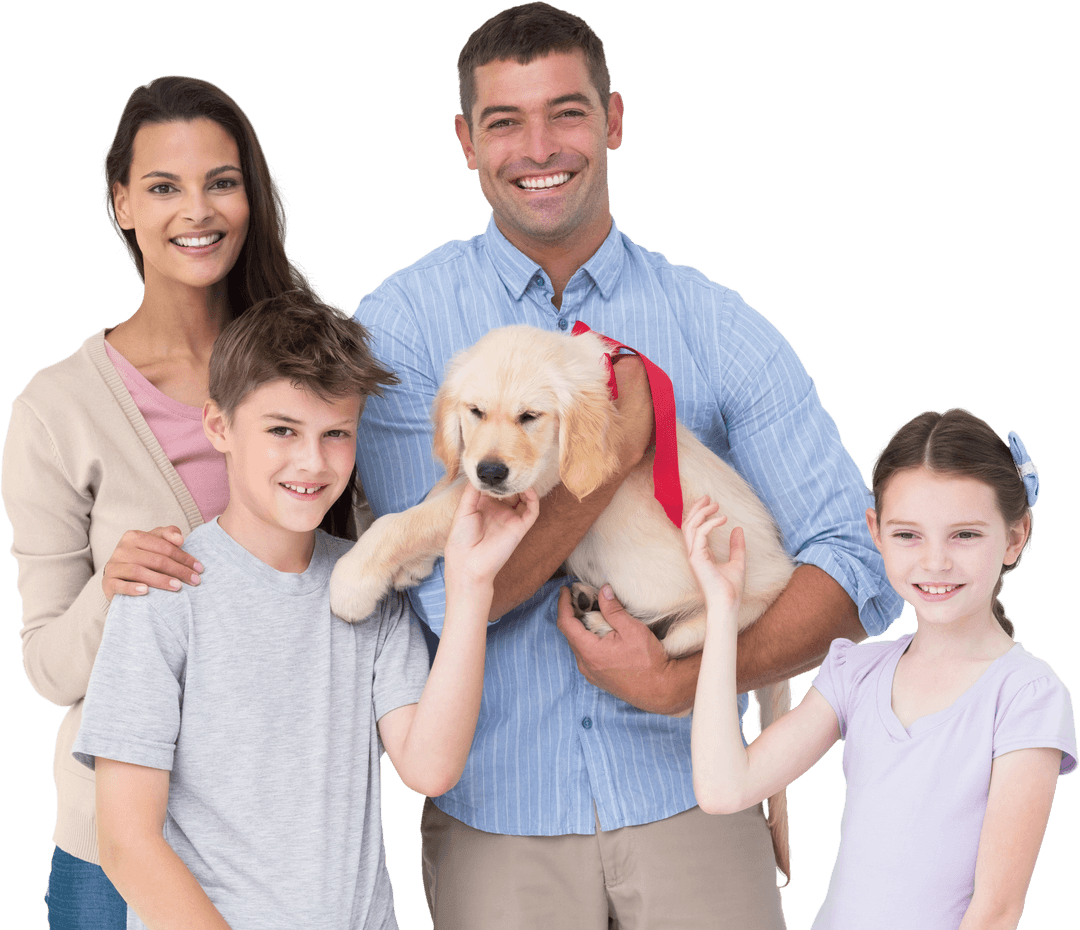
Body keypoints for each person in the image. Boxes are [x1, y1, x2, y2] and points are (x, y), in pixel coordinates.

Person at [353, 4, 902, 927]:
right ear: (464, 142)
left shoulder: (715, 323)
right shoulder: (405, 330)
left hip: (695, 798)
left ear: (613, 120)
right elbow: (453, 603)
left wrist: (683, 685)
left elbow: (858, 565)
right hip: (501, 821)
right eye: (503, 122)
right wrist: (616, 451)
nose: (539, 147)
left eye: (566, 113)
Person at [69, 293, 540, 930]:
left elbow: (430, 766)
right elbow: (127, 842)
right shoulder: (163, 593)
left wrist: (473, 585)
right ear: (219, 427)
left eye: (335, 434)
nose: (311, 462)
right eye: (282, 430)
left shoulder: (369, 590)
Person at [0, 75, 325, 929]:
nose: (198, 209)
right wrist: (112, 588)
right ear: (121, 204)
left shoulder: (310, 369)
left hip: (286, 836)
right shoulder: (55, 411)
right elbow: (47, 670)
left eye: (222, 181)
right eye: (163, 187)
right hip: (115, 849)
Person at [686, 407, 1077, 929]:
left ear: (1014, 535)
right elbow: (724, 788)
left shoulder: (1027, 695)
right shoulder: (857, 670)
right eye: (908, 535)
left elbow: (997, 910)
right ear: (875, 530)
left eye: (964, 535)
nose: (934, 561)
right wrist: (721, 608)